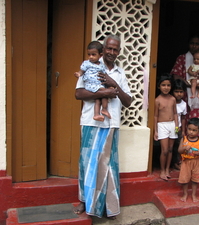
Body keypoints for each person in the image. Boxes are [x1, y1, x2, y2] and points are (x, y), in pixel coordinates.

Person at [73, 34, 131, 219]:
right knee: (87, 163)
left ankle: (109, 207)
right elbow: (79, 93)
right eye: (109, 48)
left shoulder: (120, 74)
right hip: (90, 121)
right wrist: (105, 91)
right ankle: (84, 200)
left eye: (115, 49)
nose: (112, 52)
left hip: (111, 124)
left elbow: (128, 101)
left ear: (119, 52)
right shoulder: (91, 66)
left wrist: (114, 85)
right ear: (103, 49)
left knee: (108, 166)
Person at [170, 35, 199, 165]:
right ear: (188, 44)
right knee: (184, 126)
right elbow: (176, 77)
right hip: (186, 96)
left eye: (197, 44)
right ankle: (182, 158)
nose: (194, 46)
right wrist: (188, 83)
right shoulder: (182, 59)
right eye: (192, 43)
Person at [74, 41, 111, 121]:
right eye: (89, 54)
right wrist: (78, 74)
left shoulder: (101, 65)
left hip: (99, 84)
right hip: (91, 84)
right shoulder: (87, 63)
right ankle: (104, 109)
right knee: (106, 93)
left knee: (98, 100)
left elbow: (105, 75)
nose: (90, 57)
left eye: (93, 54)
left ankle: (96, 114)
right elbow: (82, 71)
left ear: (100, 55)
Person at [154, 74, 179, 181]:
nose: (166, 87)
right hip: (162, 125)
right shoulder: (157, 100)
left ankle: (168, 169)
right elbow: (155, 116)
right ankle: (162, 170)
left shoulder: (173, 99)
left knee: (170, 149)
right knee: (164, 150)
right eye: (163, 85)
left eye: (168, 85)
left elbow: (175, 113)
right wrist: (155, 131)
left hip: (172, 125)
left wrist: (177, 125)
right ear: (159, 86)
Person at [178, 117, 199, 202]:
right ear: (186, 128)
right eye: (189, 129)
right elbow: (179, 150)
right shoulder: (184, 139)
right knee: (185, 179)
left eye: (194, 130)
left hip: (196, 162)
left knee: (195, 180)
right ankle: (185, 194)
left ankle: (194, 194)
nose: (191, 132)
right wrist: (184, 148)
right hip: (186, 162)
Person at [172, 79, 187, 170]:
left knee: (178, 146)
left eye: (181, 92)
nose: (179, 94)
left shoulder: (183, 104)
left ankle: (176, 162)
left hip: (178, 129)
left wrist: (183, 130)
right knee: (169, 147)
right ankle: (170, 163)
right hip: (169, 126)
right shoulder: (170, 101)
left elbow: (183, 118)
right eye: (176, 91)